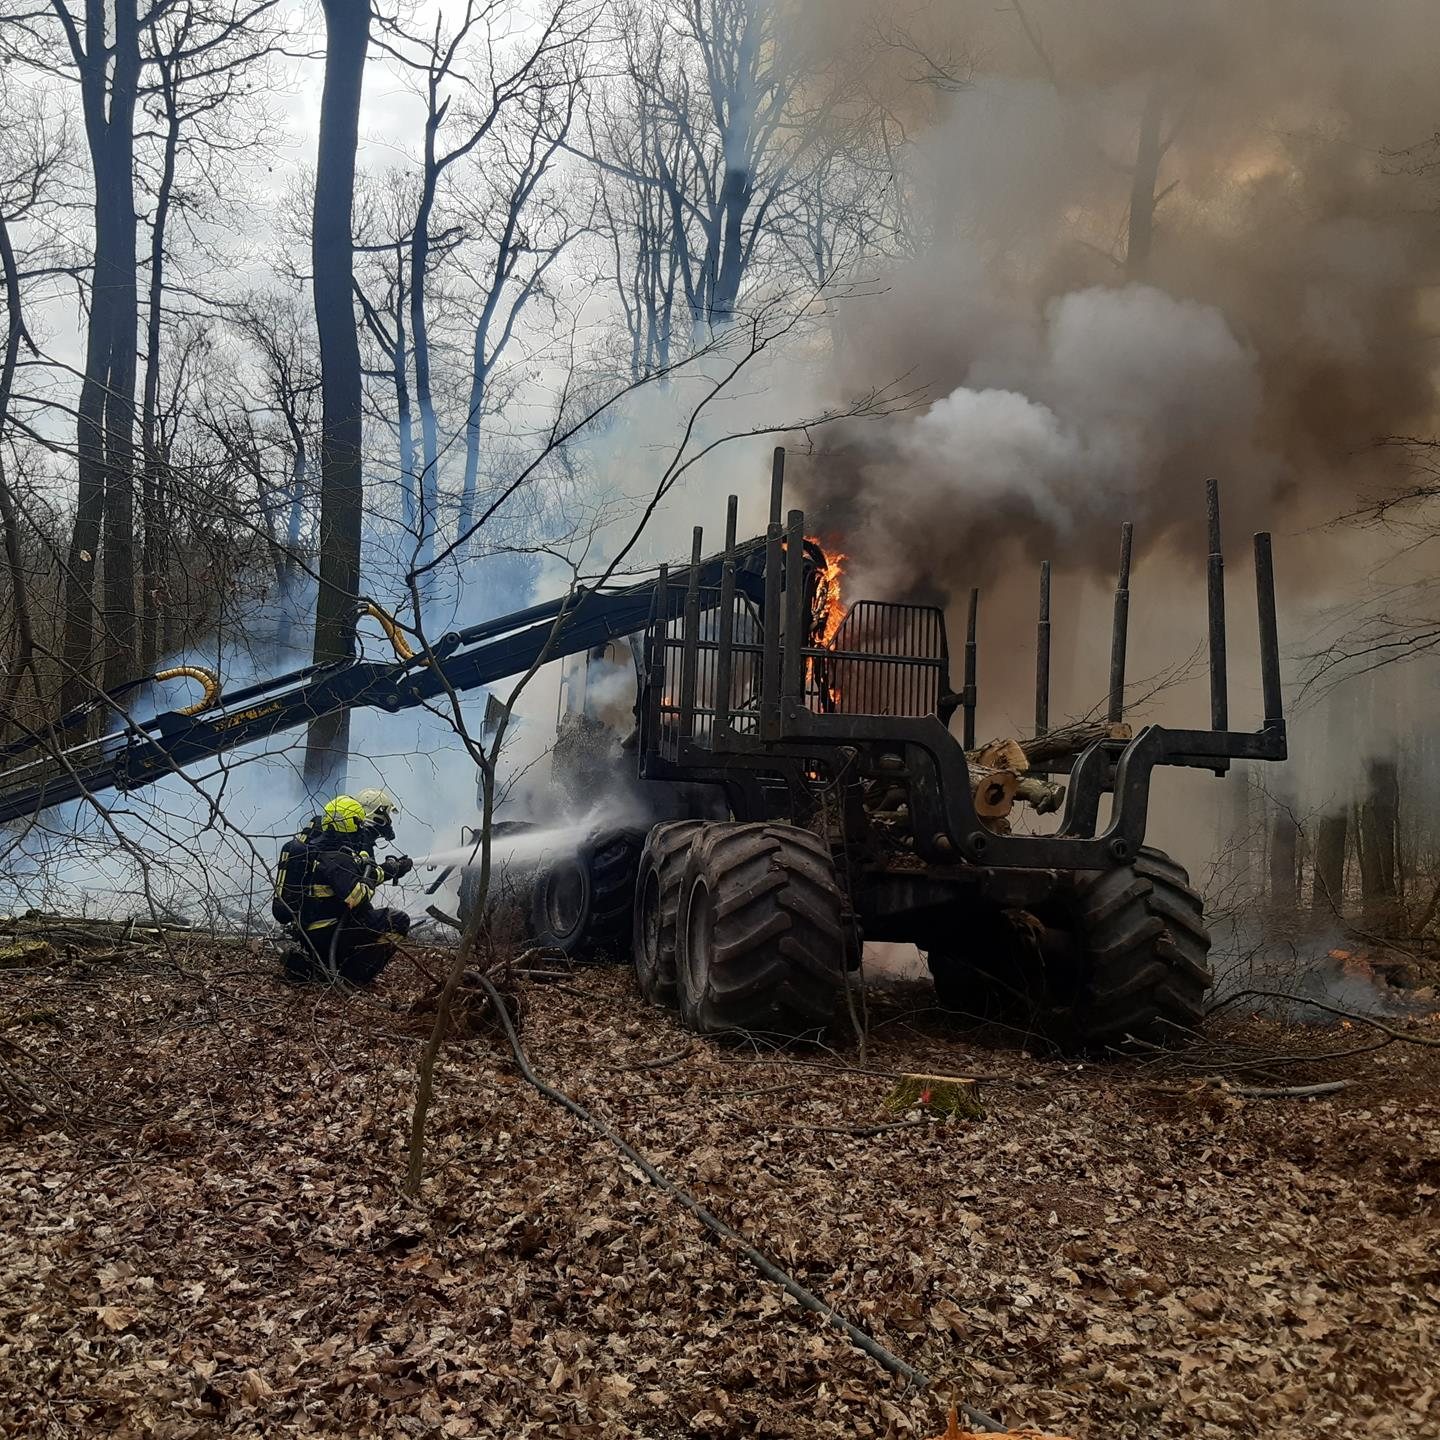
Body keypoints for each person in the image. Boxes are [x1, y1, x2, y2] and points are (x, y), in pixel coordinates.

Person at [272, 789, 414, 985]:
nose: (361, 829)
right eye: (358, 824)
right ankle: (351, 978)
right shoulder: (337, 858)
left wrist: (383, 870)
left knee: (366, 914)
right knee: (397, 921)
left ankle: (315, 966)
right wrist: (389, 870)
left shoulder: (315, 847)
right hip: (328, 934)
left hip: (307, 932)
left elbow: (357, 874)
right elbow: (358, 894)